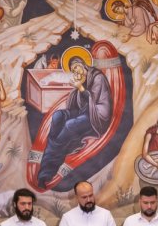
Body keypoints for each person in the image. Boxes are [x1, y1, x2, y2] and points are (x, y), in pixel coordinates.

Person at [36, 56, 114, 187]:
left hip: (97, 116)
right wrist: (78, 87)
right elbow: (77, 103)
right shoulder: (82, 78)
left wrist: (81, 88)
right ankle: (49, 161)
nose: (75, 71)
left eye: (76, 67)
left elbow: (93, 101)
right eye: (72, 70)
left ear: (83, 65)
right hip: (83, 112)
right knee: (58, 116)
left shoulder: (97, 77)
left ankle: (46, 172)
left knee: (68, 125)